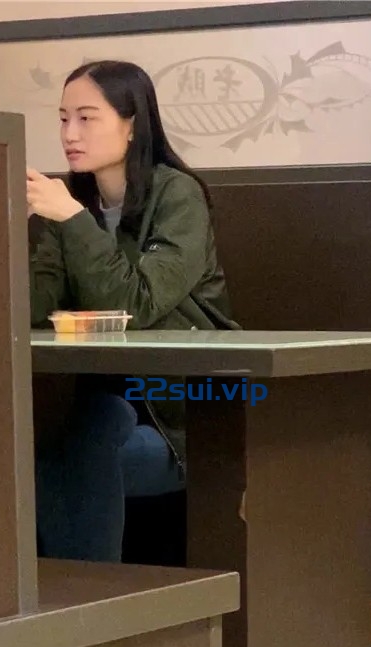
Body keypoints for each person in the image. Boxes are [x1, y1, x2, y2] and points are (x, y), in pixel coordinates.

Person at [27, 59, 239, 562]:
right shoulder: (72, 205)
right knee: (63, 437)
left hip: (182, 415)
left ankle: (84, 597)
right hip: (94, 403)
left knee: (85, 442)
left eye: (86, 118)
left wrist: (74, 220)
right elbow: (35, 307)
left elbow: (135, 303)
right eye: (63, 119)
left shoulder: (178, 195)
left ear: (132, 125)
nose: (69, 134)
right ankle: (73, 597)